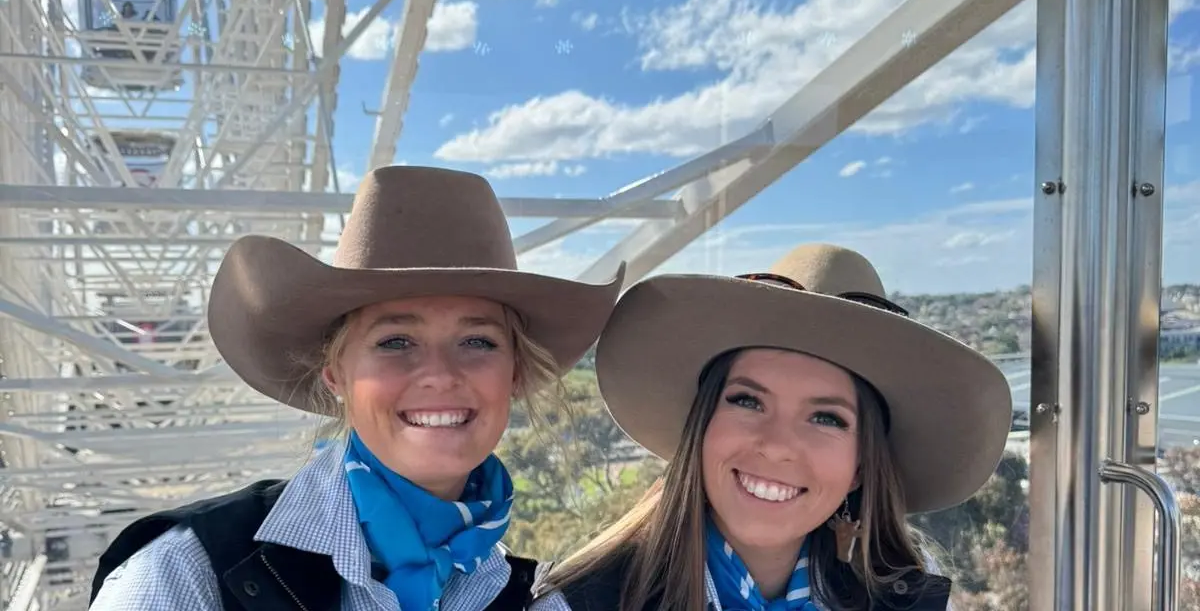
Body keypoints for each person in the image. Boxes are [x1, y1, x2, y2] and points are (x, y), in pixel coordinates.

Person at [89, 165, 626, 611]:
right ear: (335, 374)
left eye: (478, 342)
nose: (440, 373)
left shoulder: (532, 600)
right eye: (395, 341)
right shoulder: (187, 575)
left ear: (514, 374)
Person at [535, 243, 1012, 611]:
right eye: (747, 400)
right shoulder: (578, 602)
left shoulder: (911, 598)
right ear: (701, 429)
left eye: (826, 417)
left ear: (861, 467)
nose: (778, 445)